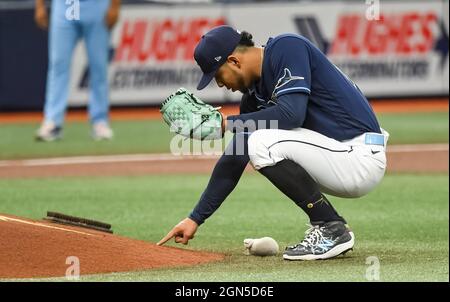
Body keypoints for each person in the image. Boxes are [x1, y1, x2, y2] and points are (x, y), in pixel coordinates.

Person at [158, 25, 389, 260]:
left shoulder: (286, 47)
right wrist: (195, 218)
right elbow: (234, 160)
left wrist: (225, 124)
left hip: (359, 155)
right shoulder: (253, 97)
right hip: (336, 157)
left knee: (261, 143)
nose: (220, 84)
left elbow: (292, 114)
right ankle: (329, 225)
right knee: (255, 142)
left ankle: (331, 227)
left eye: (217, 75)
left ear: (234, 61)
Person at [34, 0, 120, 141]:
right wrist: (39, 6)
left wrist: (115, 6)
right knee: (58, 65)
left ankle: (100, 121)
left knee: (98, 67)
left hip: (96, 6)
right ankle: (52, 121)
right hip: (65, 6)